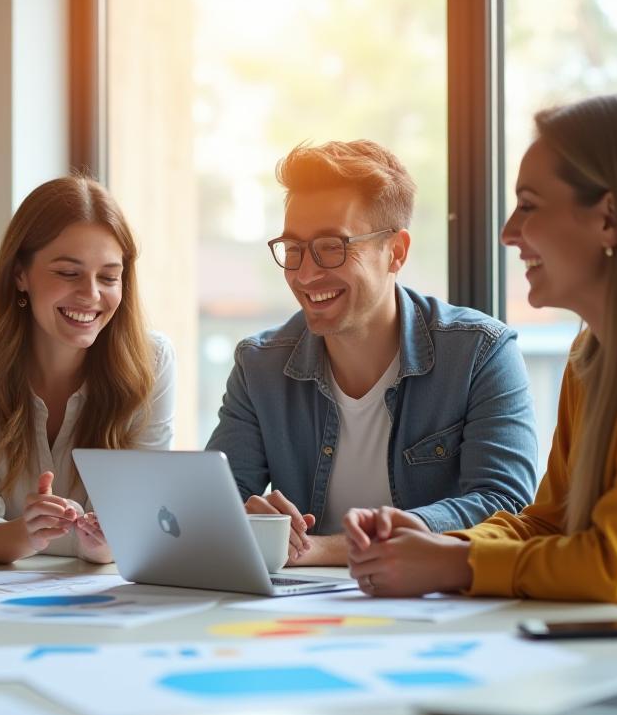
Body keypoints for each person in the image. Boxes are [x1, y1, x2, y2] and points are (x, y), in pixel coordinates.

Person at [344, 94, 617, 623]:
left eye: (529, 205)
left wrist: (455, 562)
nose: (508, 233)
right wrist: (430, 540)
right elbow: (552, 523)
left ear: (610, 217)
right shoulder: (595, 349)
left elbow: (612, 567)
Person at [206, 140, 538, 567]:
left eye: (331, 246)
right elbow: (217, 504)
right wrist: (245, 519)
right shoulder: (259, 366)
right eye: (293, 249)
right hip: (296, 611)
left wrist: (324, 549)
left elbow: (503, 503)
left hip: (435, 606)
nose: (306, 273)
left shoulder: (481, 353)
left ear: (396, 252)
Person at [0, 175, 175, 564]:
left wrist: (103, 545)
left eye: (109, 277)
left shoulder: (152, 362)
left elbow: (137, 527)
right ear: (19, 274)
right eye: (68, 273)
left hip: (103, 597)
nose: (92, 295)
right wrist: (25, 534)